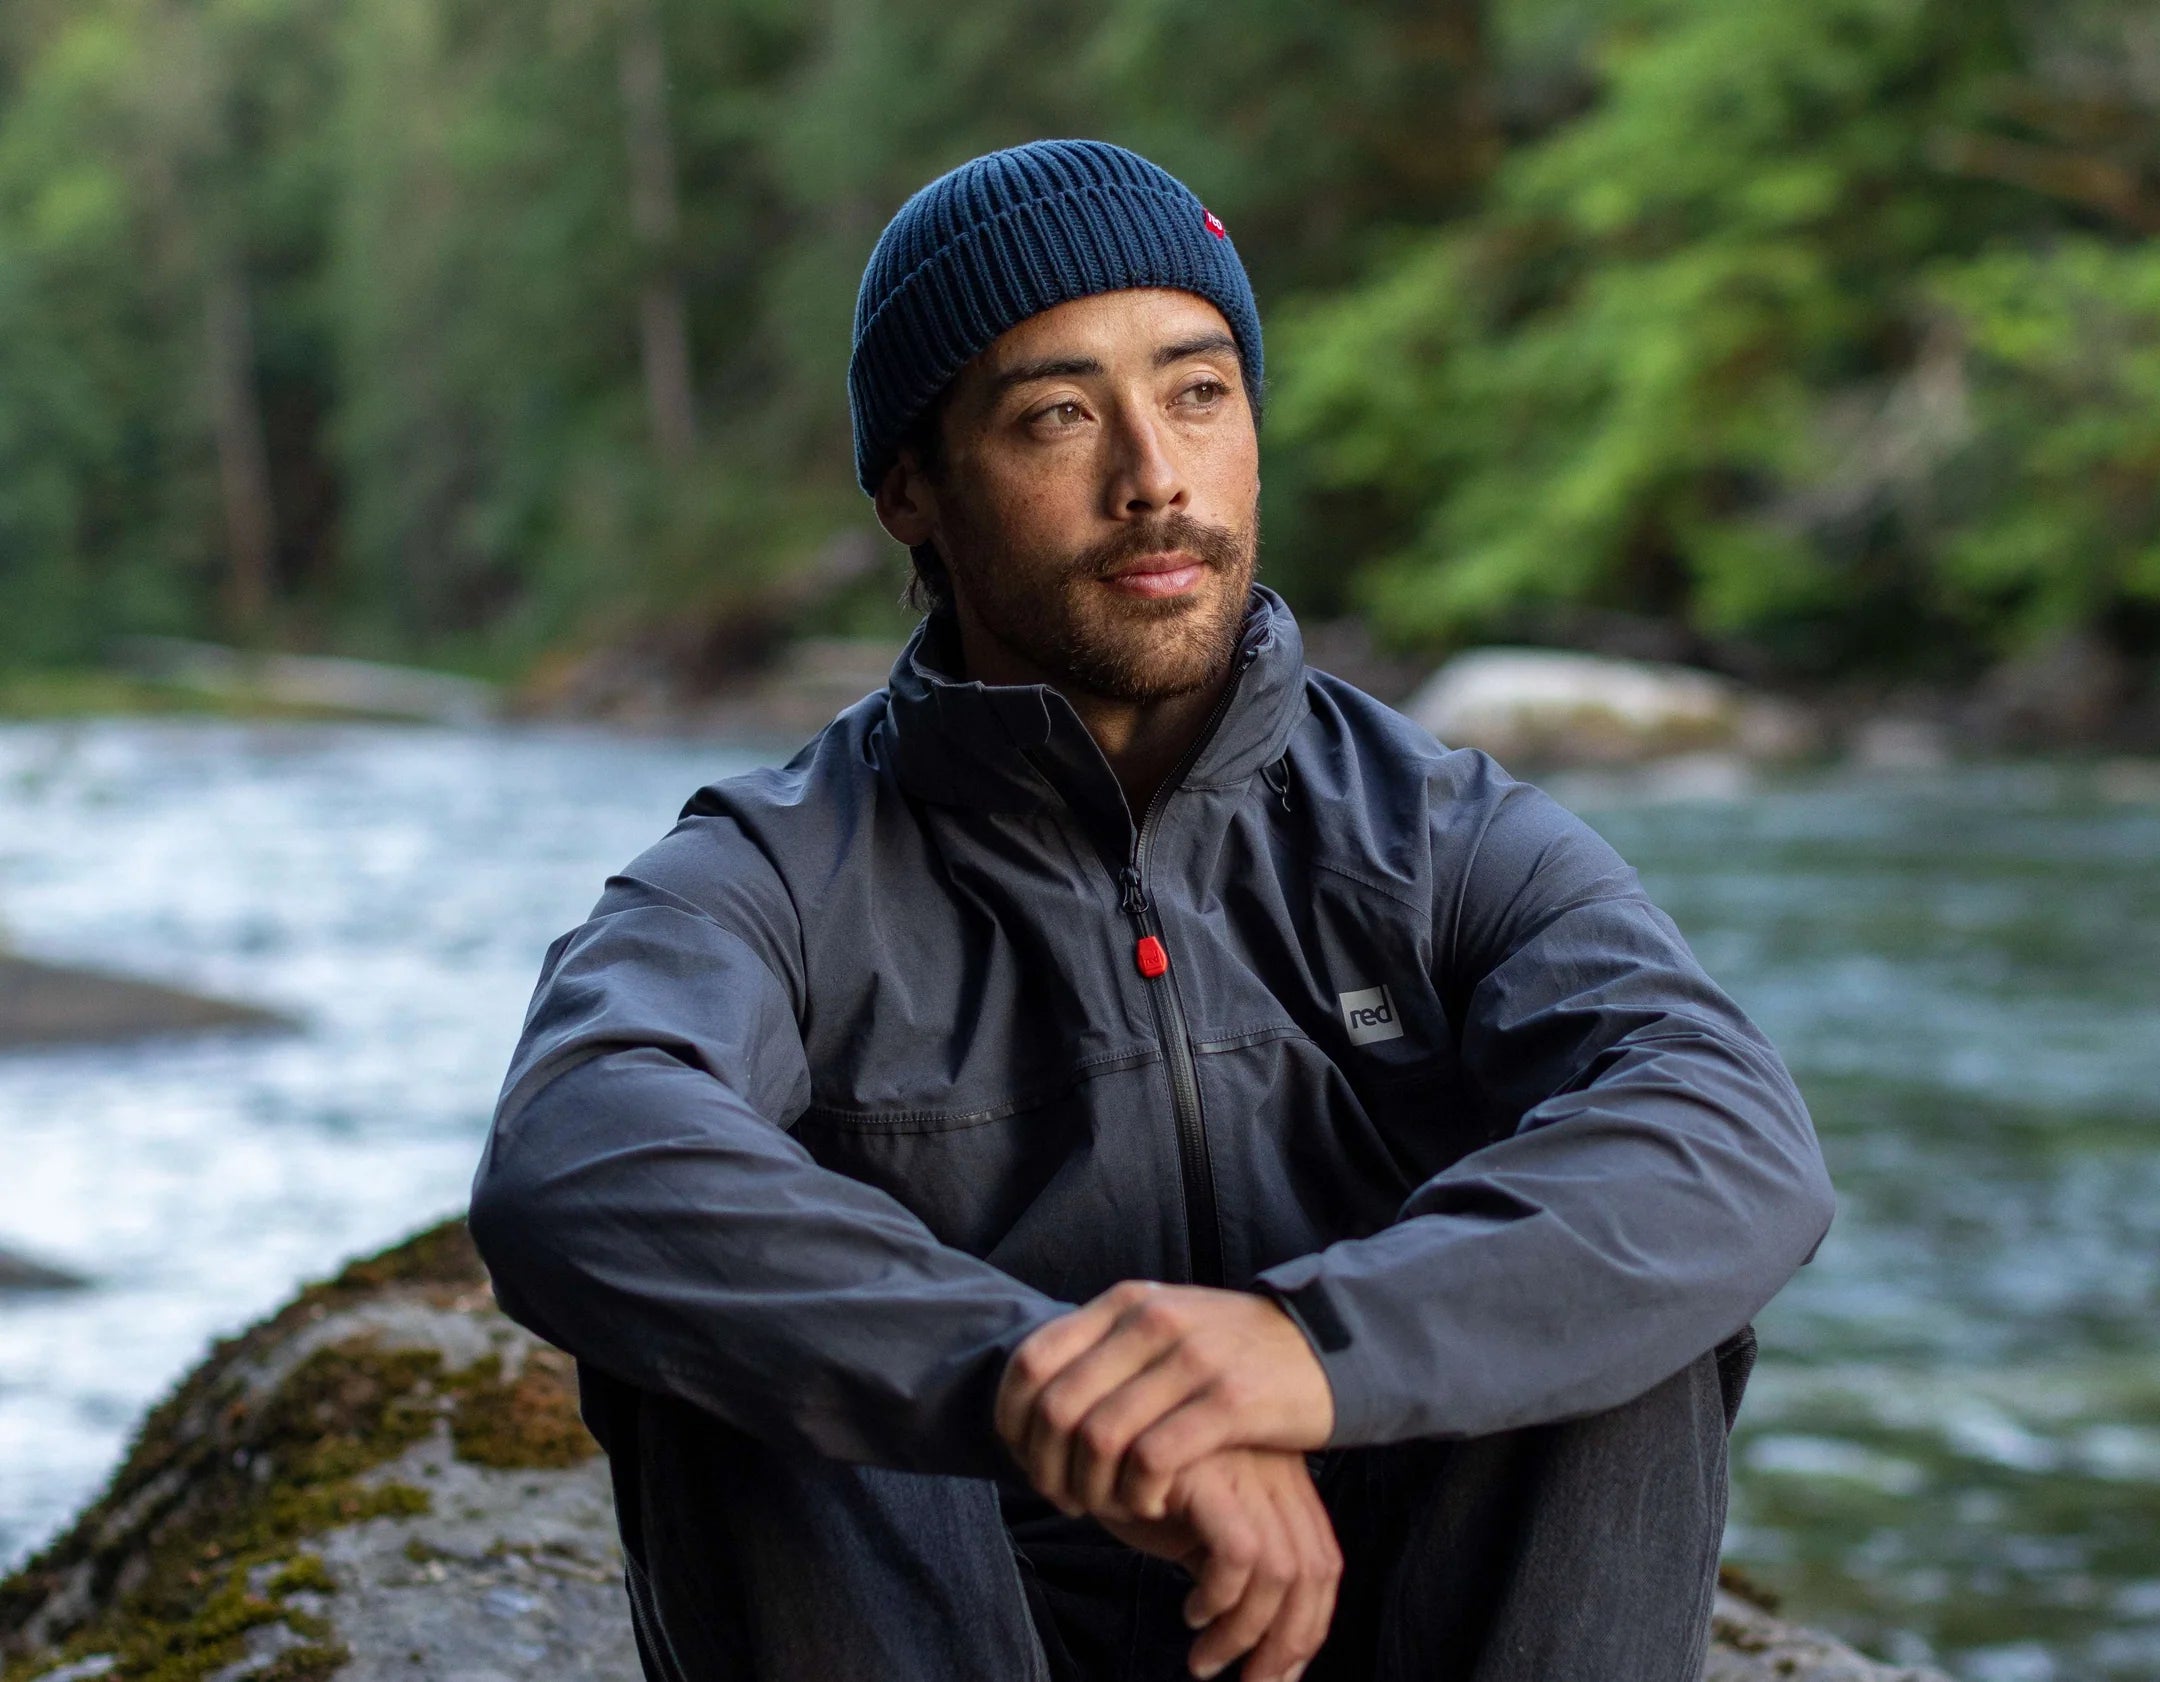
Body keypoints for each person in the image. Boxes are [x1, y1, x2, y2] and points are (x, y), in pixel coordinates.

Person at [467, 138, 1835, 1682]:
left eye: (1198, 392)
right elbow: (572, 1148)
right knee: (719, 1336)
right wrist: (1043, 1383)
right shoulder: (775, 873)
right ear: (912, 488)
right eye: (1059, 414)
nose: (1154, 478)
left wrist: (1299, 1352)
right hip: (955, 1631)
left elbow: (1732, 1128)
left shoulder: (1442, 830)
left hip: (1390, 1625)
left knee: (1625, 1294)